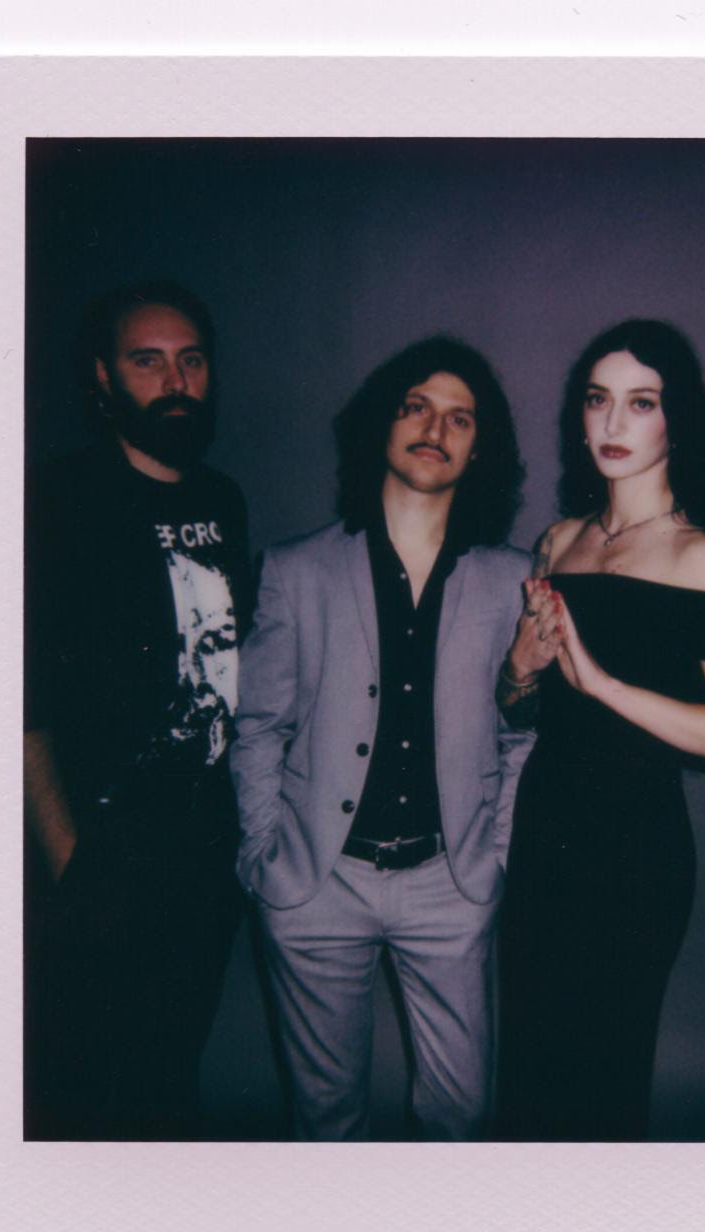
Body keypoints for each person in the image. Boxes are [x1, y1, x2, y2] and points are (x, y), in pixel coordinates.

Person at [230, 336, 533, 1141]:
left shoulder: (513, 578)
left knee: (461, 1116)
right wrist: (265, 857)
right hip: (317, 883)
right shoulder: (295, 569)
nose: (435, 428)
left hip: (450, 881)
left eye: (460, 417)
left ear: (481, 447)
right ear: (382, 425)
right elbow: (258, 725)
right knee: (327, 1120)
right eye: (416, 406)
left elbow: (521, 733)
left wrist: (495, 854)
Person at [495, 319, 705, 1141]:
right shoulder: (558, 541)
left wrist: (605, 686)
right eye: (598, 400)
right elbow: (519, 710)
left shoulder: (701, 557)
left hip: (633, 851)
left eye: (642, 402)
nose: (614, 423)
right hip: (543, 831)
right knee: (530, 1070)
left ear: (675, 420)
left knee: (601, 1080)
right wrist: (520, 667)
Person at [24, 280, 252, 1140]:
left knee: (168, 1085)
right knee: (77, 1099)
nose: (175, 382)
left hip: (204, 854)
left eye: (191, 361)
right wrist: (67, 856)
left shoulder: (221, 500)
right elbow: (21, 694)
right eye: (147, 362)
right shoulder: (59, 498)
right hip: (102, 854)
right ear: (103, 376)